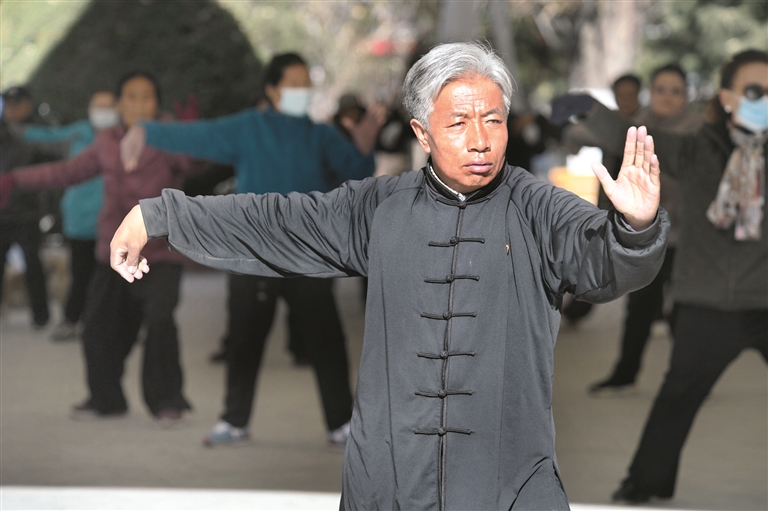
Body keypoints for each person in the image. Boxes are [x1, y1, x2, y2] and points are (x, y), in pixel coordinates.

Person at [110, 42, 667, 510]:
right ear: (422, 134)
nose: (480, 139)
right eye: (459, 123)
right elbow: (276, 220)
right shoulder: (379, 209)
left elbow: (605, 260)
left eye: (493, 120)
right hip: (390, 483)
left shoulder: (537, 208)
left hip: (508, 485)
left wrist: (635, 227)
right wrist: (161, 215)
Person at [119, 52, 386, 447]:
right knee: (244, 338)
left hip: (310, 252)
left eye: (305, 84)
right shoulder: (248, 128)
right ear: (272, 90)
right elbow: (200, 136)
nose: (301, 91)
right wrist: (146, 130)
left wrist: (365, 148)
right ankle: (234, 421)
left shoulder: (321, 135)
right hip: (252, 251)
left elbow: (357, 173)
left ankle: (341, 423)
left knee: (326, 338)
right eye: (293, 84)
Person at [553, 49, 767, 503]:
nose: (764, 99)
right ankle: (645, 483)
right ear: (728, 97)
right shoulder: (699, 146)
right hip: (709, 300)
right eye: (754, 90)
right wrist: (587, 108)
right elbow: (636, 138)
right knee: (678, 396)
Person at [0, 71, 203, 424]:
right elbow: (65, 172)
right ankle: (105, 399)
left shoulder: (169, 137)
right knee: (98, 329)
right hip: (116, 253)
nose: (138, 104)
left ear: (157, 104)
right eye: (131, 97)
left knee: (160, 322)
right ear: (120, 103)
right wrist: (15, 179)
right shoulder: (106, 142)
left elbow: (193, 164)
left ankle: (167, 401)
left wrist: (192, 138)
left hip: (159, 251)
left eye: (146, 97)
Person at [21, 90, 119, 340]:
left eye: (108, 106)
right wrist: (15, 128)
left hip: (117, 219)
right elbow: (47, 140)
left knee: (117, 275)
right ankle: (73, 318)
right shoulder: (78, 133)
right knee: (81, 272)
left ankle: (120, 324)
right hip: (81, 219)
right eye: (98, 106)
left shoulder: (127, 135)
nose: (103, 112)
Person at [0, 108, 57, 328]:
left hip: (26, 215)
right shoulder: (23, 145)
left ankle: (41, 315)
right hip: (10, 216)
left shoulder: (25, 146)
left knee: (33, 265)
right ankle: (40, 315)